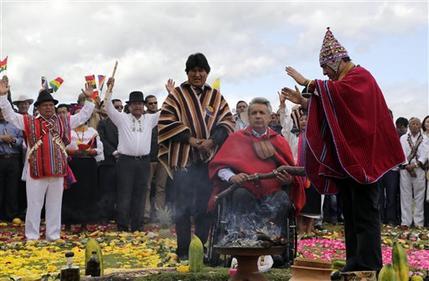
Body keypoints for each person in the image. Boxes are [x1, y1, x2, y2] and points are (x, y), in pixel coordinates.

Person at [282, 27, 404, 272]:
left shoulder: (361, 77)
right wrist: (306, 102)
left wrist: (308, 82)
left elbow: (341, 96)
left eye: (325, 68)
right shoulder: (341, 84)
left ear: (336, 62)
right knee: (350, 213)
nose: (325, 73)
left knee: (365, 214)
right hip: (349, 161)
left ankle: (368, 265)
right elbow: (333, 104)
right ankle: (354, 263)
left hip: (365, 161)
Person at [158, 53, 235, 260]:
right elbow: (165, 120)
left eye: (201, 70)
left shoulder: (216, 96)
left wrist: (212, 141)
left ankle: (199, 248)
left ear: (207, 73)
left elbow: (227, 122)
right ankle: (183, 250)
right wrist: (191, 140)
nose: (197, 74)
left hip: (209, 161)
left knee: (206, 207)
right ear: (187, 73)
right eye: (193, 70)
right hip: (184, 159)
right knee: (181, 208)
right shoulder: (177, 94)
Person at [0, 81, 96, 240]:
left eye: (51, 105)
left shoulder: (64, 120)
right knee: (34, 205)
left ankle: (53, 235)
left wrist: (89, 100)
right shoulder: (29, 122)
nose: (49, 107)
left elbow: (83, 117)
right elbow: (10, 115)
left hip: (57, 170)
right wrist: (3, 96)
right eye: (45, 105)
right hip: (36, 170)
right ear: (37, 108)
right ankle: (32, 236)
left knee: (55, 205)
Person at [208, 97, 305, 228]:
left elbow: (292, 173)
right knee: (240, 194)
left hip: (273, 194)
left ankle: (273, 236)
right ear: (248, 117)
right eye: (254, 113)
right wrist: (232, 177)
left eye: (262, 113)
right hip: (244, 192)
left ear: (270, 117)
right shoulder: (236, 139)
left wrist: (289, 180)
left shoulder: (280, 141)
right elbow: (220, 167)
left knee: (282, 198)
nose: (258, 116)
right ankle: (242, 235)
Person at [105, 80, 160, 232]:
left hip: (144, 162)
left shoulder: (150, 119)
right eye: (134, 104)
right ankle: (122, 226)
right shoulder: (122, 118)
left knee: (141, 194)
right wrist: (109, 88)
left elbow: (167, 110)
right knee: (124, 194)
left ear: (144, 106)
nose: (137, 106)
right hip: (125, 161)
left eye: (140, 104)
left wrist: (170, 93)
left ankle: (137, 226)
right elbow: (108, 107)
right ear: (129, 106)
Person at [62, 105, 104, 230]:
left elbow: (99, 149)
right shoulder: (68, 131)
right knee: (71, 193)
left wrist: (92, 151)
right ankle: (68, 222)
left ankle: (84, 223)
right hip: (73, 164)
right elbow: (63, 147)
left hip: (87, 165)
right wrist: (72, 151)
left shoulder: (92, 132)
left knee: (87, 193)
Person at [399, 117, 428, 228]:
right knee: (405, 196)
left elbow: (425, 154)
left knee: (419, 196)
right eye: (412, 124)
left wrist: (415, 165)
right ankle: (405, 222)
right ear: (409, 126)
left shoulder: (424, 139)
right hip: (405, 169)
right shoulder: (403, 138)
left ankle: (418, 223)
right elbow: (401, 152)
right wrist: (407, 165)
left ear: (420, 126)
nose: (415, 126)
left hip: (419, 169)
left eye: (417, 124)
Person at [143, 95, 168, 222]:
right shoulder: (143, 118)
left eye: (155, 103)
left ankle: (160, 215)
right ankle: (146, 214)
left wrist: (169, 93)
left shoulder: (163, 117)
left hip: (162, 157)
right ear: (146, 105)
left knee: (161, 187)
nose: (153, 105)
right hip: (148, 157)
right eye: (150, 103)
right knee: (146, 187)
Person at [97, 99, 122, 223]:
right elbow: (102, 139)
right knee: (107, 190)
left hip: (124, 161)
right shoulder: (103, 123)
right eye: (116, 107)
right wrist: (114, 152)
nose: (119, 109)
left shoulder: (124, 123)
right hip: (108, 161)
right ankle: (104, 216)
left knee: (121, 190)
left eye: (121, 107)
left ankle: (119, 214)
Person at [0, 108, 24, 221]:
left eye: (2, 111)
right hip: (0, 157)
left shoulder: (16, 125)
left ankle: (11, 215)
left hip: (14, 159)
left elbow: (22, 141)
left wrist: (13, 140)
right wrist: (1, 138)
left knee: (12, 188)